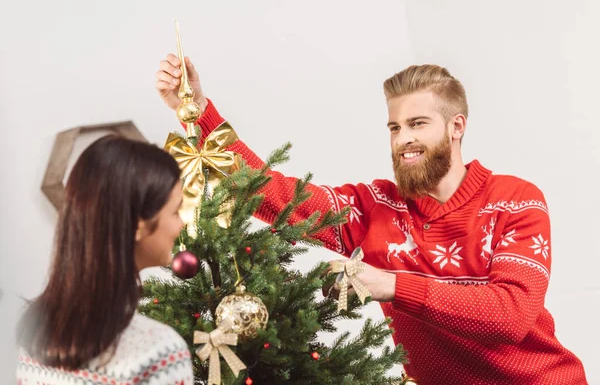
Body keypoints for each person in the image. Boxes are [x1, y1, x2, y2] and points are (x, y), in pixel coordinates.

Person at [155, 55, 588, 384]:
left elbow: (509, 315)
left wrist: (391, 284)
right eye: (394, 127)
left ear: (456, 127)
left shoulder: (515, 200)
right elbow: (278, 196)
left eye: (417, 123)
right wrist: (198, 110)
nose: (404, 140)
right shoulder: (374, 205)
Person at [15, 135, 194, 384]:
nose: (181, 224)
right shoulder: (160, 353)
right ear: (137, 226)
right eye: (175, 211)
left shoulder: (35, 329)